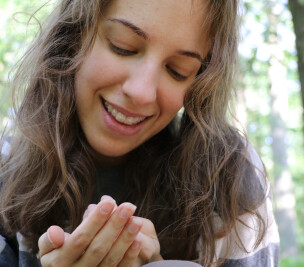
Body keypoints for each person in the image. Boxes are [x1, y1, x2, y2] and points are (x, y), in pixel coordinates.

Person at [0, 0, 280, 266]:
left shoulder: (229, 179)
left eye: (177, 71)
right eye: (123, 47)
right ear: (74, 35)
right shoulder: (5, 170)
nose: (142, 93)